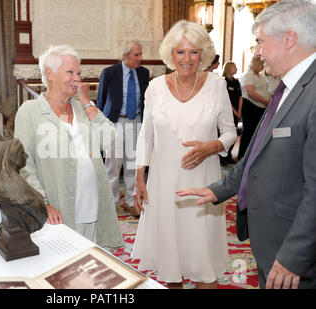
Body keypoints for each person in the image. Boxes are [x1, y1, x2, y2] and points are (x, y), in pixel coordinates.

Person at [176, 0, 316, 289]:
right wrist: (217, 189)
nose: (258, 52)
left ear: (289, 39)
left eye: (261, 42)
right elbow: (256, 156)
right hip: (272, 243)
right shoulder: (287, 88)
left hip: (294, 255)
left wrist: (293, 255)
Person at [132, 20, 237, 289]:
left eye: (193, 52)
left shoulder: (217, 85)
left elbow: (229, 133)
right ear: (171, 54)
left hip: (203, 184)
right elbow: (147, 134)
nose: (187, 59)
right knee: (170, 265)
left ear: (203, 53)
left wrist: (210, 147)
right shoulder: (155, 87)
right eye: (180, 52)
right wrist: (140, 178)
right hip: (163, 183)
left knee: (203, 264)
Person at [14, 45, 123, 249]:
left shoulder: (82, 109)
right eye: (70, 72)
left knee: (92, 267)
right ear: (49, 73)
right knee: (63, 269)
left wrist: (87, 103)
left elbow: (108, 139)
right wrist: (43, 204)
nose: (77, 78)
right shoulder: (30, 112)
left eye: (79, 73)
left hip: (94, 205)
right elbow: (24, 164)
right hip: (59, 209)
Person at [96, 41, 150, 216]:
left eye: (141, 54)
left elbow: (146, 99)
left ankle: (131, 201)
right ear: (126, 56)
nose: (140, 58)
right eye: (137, 55)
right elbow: (101, 100)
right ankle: (111, 204)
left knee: (133, 165)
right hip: (115, 123)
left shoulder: (144, 73)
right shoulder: (110, 73)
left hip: (136, 123)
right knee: (112, 165)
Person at [237, 56, 271, 159]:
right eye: (262, 63)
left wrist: (269, 101)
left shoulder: (261, 76)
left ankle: (252, 156)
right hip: (250, 106)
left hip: (261, 106)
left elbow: (267, 90)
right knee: (248, 131)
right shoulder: (248, 75)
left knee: (258, 132)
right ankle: (242, 156)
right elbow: (250, 93)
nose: (263, 66)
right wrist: (265, 101)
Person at [221, 61, 243, 163]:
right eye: (235, 67)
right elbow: (224, 99)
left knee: (233, 134)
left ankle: (229, 155)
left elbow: (240, 97)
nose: (237, 69)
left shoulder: (236, 81)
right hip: (225, 112)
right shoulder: (223, 81)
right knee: (225, 134)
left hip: (235, 113)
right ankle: (222, 156)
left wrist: (239, 111)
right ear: (229, 68)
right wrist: (234, 110)